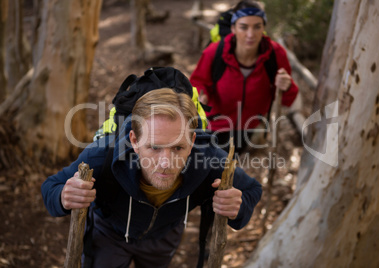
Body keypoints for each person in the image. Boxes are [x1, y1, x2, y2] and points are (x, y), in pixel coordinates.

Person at [41, 87, 262, 267]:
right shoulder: (104, 155)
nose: (166, 163)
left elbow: (252, 190)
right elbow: (51, 186)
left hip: (164, 237)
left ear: (192, 141)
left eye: (177, 148)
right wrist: (63, 196)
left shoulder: (209, 159)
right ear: (134, 140)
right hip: (109, 234)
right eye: (154, 147)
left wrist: (238, 207)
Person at [190, 0, 299, 154]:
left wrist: (287, 86)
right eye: (243, 27)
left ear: (263, 28)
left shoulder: (275, 54)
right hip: (215, 127)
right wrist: (202, 95)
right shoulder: (214, 52)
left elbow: (288, 99)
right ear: (233, 28)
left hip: (250, 128)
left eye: (257, 27)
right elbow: (196, 82)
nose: (250, 34)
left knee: (234, 167)